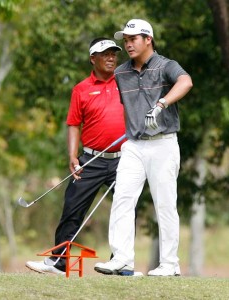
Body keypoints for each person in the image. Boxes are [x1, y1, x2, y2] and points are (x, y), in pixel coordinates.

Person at [94, 19, 193, 277]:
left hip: (163, 144)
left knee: (165, 204)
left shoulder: (166, 65)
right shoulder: (121, 73)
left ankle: (170, 264)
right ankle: (122, 259)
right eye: (125, 39)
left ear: (148, 39)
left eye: (133, 38)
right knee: (122, 199)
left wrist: (161, 103)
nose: (127, 44)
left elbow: (186, 82)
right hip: (134, 145)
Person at [26, 37, 125, 275]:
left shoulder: (126, 81)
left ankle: (122, 263)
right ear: (93, 59)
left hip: (124, 159)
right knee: (72, 208)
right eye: (105, 54)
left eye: (114, 53)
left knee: (125, 209)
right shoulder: (81, 89)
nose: (111, 57)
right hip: (90, 160)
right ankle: (59, 263)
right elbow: (73, 124)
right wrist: (72, 156)